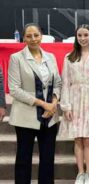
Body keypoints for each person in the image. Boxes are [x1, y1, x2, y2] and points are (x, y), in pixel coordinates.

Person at [8, 23, 62, 184]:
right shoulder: (16, 58)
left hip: (50, 116)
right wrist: (43, 104)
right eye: (29, 36)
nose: (33, 39)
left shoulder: (50, 57)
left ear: (41, 36)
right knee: (24, 159)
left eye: (36, 35)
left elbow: (58, 83)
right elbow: (15, 89)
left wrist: (53, 103)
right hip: (26, 116)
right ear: (23, 38)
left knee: (48, 159)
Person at [58, 25, 89, 184]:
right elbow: (65, 83)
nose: (83, 38)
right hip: (74, 100)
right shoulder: (69, 57)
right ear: (76, 37)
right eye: (80, 35)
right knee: (78, 139)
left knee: (88, 140)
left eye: (86, 35)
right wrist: (66, 106)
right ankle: (80, 173)